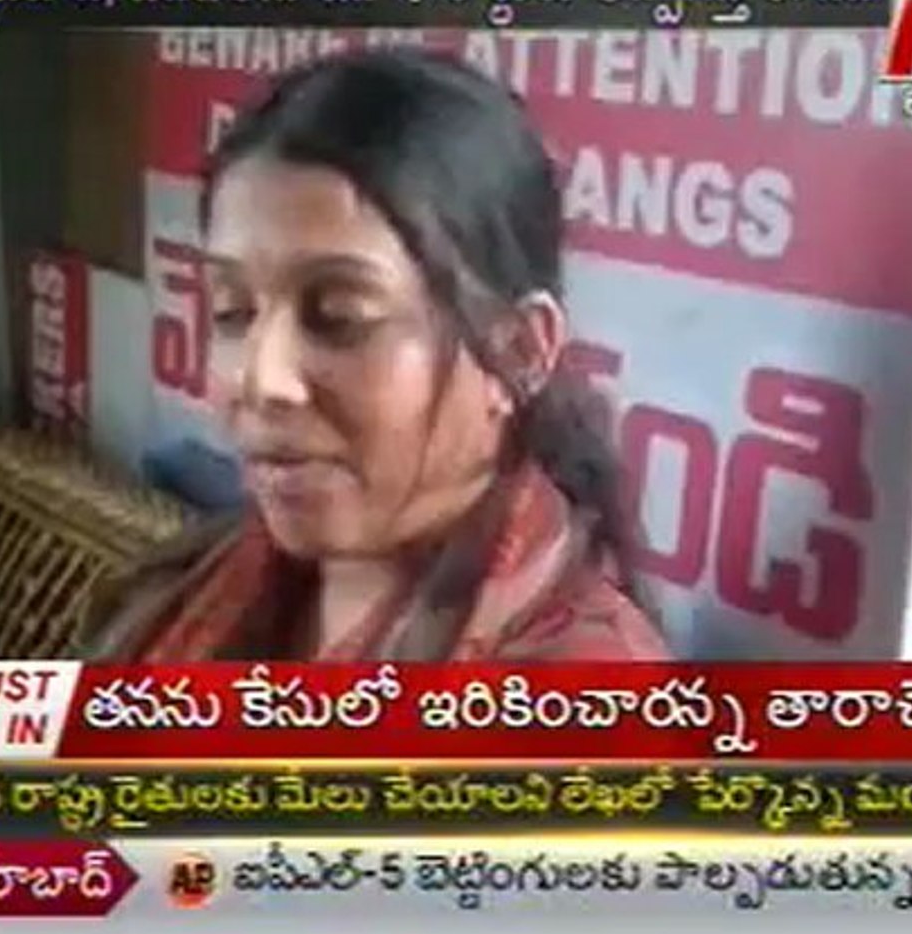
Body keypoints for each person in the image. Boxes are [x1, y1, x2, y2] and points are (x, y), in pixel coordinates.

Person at [83, 46, 671, 663]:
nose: (261, 378)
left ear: (519, 352)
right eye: (233, 311)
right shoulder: (200, 583)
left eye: (341, 317)